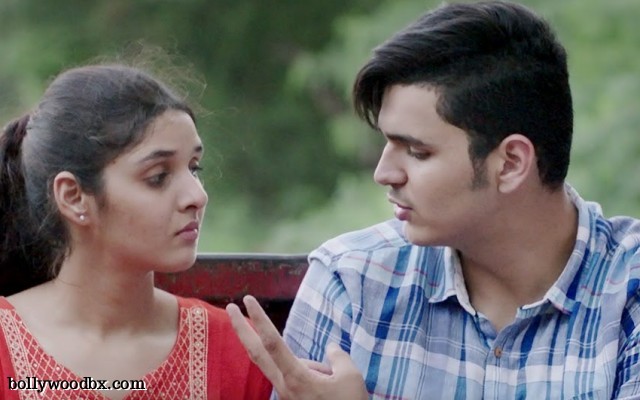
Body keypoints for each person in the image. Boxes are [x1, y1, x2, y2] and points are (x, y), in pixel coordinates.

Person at [228, 1, 640, 399]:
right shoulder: (351, 282)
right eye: (387, 143)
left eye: (417, 152)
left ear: (512, 163)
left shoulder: (628, 290)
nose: (384, 173)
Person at [0, 63, 273, 399]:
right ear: (73, 197)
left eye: (194, 168)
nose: (198, 196)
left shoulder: (237, 350)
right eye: (158, 177)